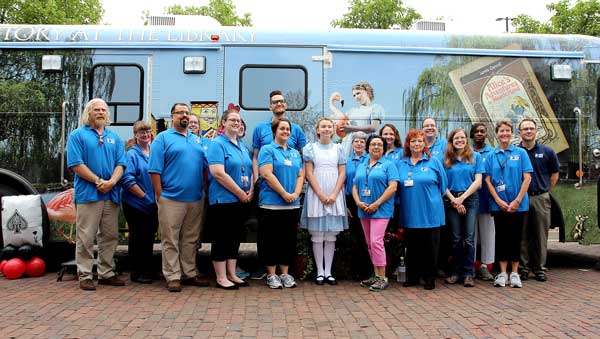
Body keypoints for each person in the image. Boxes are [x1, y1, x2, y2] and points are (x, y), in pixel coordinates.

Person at [66, 98, 127, 291]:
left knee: (109, 236)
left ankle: (106, 273)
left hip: (111, 194)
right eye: (96, 110)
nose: (101, 112)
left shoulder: (114, 137)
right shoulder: (77, 135)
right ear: (89, 113)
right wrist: (98, 181)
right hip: (88, 194)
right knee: (86, 236)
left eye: (103, 110)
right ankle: (84, 274)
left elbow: (121, 164)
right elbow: (76, 164)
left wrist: (112, 182)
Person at [149, 103, 210, 292]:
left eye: (187, 112)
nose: (184, 116)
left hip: (195, 198)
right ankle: (173, 275)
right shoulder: (163, 139)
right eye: (180, 113)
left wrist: (203, 190)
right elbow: (154, 170)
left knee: (191, 239)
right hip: (171, 198)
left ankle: (189, 272)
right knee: (170, 239)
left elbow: (204, 168)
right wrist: (160, 195)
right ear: (172, 116)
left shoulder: (196, 140)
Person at [207, 109, 253, 290]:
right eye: (232, 120)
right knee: (221, 238)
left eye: (239, 120)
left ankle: (232, 273)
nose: (236, 123)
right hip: (223, 200)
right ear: (223, 123)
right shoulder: (217, 144)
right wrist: (239, 192)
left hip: (241, 201)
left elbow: (247, 170)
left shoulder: (241, 145)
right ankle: (220, 277)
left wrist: (250, 190)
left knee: (235, 238)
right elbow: (217, 173)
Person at [397, 129, 447, 290]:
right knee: (412, 247)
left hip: (431, 213)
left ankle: (429, 278)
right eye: (413, 141)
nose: (416, 144)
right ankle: (412, 276)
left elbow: (443, 186)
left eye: (419, 141)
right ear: (408, 144)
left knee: (430, 248)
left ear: (424, 144)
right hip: (410, 212)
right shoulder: (401, 163)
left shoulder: (434, 162)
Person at [257, 118, 305, 289]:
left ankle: (284, 273)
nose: (285, 131)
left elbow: (301, 175)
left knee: (288, 239)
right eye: (282, 128)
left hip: (291, 204)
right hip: (271, 204)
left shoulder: (294, 153)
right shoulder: (267, 149)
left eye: (287, 129)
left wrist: (296, 194)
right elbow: (267, 174)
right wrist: (284, 193)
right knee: (270, 240)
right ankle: (271, 274)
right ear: (275, 131)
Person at [485, 120, 532, 288]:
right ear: (496, 134)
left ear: (512, 133)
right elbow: (488, 180)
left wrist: (517, 200)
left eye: (507, 131)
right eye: (501, 131)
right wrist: (498, 200)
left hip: (518, 205)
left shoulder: (521, 153)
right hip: (500, 205)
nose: (504, 134)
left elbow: (527, 178)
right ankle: (502, 273)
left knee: (516, 238)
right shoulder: (491, 155)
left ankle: (515, 273)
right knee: (501, 238)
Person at [301, 118, 348, 285]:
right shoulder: (310, 149)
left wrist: (335, 194)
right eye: (323, 126)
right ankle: (319, 272)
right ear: (318, 130)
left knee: (331, 235)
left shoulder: (339, 149)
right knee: (317, 234)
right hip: (316, 193)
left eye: (329, 126)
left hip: (335, 193)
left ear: (333, 130)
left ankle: (329, 271)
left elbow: (342, 173)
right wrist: (320, 194)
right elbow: (309, 173)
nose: (327, 129)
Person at [352, 135, 399, 292]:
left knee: (376, 241)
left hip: (381, 210)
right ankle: (375, 275)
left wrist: (376, 203)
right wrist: (358, 202)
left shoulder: (389, 165)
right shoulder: (362, 165)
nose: (376, 147)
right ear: (368, 147)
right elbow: (354, 187)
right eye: (373, 144)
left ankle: (382, 277)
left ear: (383, 148)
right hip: (363, 209)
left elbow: (392, 187)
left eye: (379, 144)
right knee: (369, 243)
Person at [518, 118, 559, 282]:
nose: (528, 131)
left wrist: (546, 191)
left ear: (536, 131)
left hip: (540, 197)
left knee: (541, 235)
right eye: (525, 129)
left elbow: (554, 174)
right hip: (522, 198)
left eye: (531, 128)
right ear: (519, 132)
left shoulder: (547, 151)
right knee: (522, 235)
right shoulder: (515, 152)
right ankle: (523, 268)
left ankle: (540, 268)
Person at [443, 128, 484, 287]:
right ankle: (454, 272)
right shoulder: (446, 159)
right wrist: (454, 200)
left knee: (469, 238)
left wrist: (462, 198)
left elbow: (478, 181)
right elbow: (443, 183)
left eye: (462, 138)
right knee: (455, 238)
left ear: (466, 139)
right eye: (456, 138)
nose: (459, 140)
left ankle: (468, 273)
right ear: (451, 141)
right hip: (451, 199)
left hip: (470, 199)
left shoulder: (475, 157)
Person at [120, 120, 158, 284]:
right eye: (142, 132)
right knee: (138, 237)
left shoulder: (153, 152)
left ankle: (147, 269)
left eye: (148, 131)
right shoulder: (132, 154)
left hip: (152, 204)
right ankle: (137, 272)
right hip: (136, 203)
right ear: (135, 135)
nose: (146, 134)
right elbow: (127, 179)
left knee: (149, 237)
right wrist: (144, 196)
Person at [252, 90, 307, 181]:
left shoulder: (296, 129)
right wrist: (256, 180)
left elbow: (304, 157)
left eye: (281, 101)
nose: (279, 103)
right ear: (270, 107)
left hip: (289, 182)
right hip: (266, 183)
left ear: (285, 105)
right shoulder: (260, 128)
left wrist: (301, 180)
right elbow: (255, 158)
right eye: (275, 102)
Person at [330, 82, 384, 157]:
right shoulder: (351, 111)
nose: (356, 97)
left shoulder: (375, 108)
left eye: (358, 93)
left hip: (363, 147)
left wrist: (351, 128)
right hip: (347, 147)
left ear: (367, 92)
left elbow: (373, 127)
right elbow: (343, 128)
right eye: (354, 95)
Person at [470, 123, 496, 281]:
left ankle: (486, 266)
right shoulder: (467, 152)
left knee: (488, 235)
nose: (479, 133)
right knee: (470, 236)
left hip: (487, 200)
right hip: (470, 200)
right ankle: (471, 265)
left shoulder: (492, 153)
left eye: (482, 131)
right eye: (476, 131)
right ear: (472, 134)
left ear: (486, 134)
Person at [344, 131, 371, 280]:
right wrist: (345, 206)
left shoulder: (370, 159)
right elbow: (342, 183)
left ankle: (367, 270)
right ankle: (354, 269)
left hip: (367, 199)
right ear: (352, 144)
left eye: (362, 141)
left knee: (366, 236)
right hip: (351, 201)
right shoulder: (347, 161)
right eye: (356, 141)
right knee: (355, 236)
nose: (359, 144)